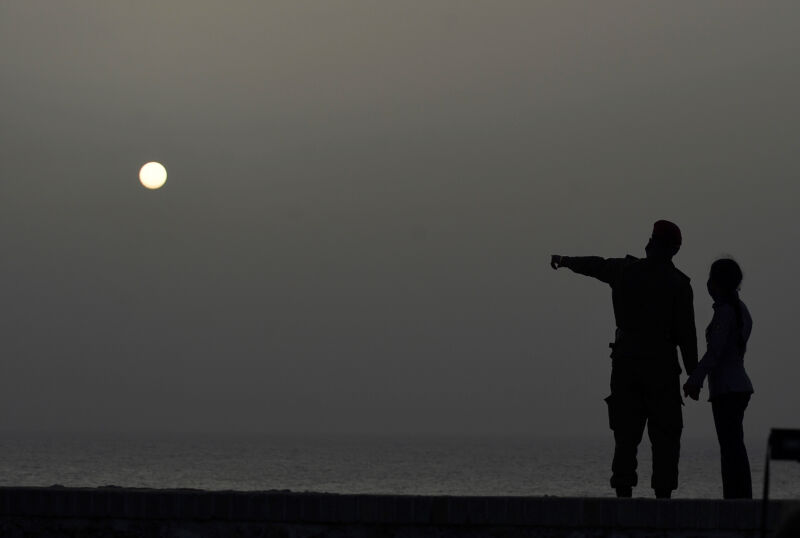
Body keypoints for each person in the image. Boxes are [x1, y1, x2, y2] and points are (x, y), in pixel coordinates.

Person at [550, 220, 698, 498]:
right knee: (665, 436)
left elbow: (596, 265)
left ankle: (623, 494)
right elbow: (687, 336)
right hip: (662, 369)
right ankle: (663, 498)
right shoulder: (679, 285)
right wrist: (694, 375)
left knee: (626, 434)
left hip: (626, 365)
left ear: (653, 243)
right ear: (674, 251)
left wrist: (565, 261)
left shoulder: (625, 271)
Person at [683, 258, 754, 499]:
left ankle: (736, 498)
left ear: (715, 283)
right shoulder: (741, 309)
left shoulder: (725, 313)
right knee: (734, 445)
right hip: (737, 385)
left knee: (730, 448)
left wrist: (695, 379)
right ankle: (739, 496)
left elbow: (715, 352)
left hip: (727, 389)